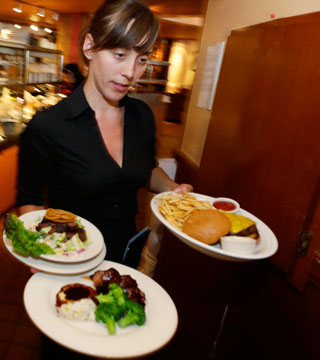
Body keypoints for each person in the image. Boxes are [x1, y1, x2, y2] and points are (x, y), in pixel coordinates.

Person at [16, 0, 192, 263]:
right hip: (70, 259)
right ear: (90, 47)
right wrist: (44, 256)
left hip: (126, 256)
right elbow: (30, 202)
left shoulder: (142, 116)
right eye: (120, 55)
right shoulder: (48, 125)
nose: (130, 73)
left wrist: (172, 188)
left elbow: (145, 169)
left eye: (142, 59)